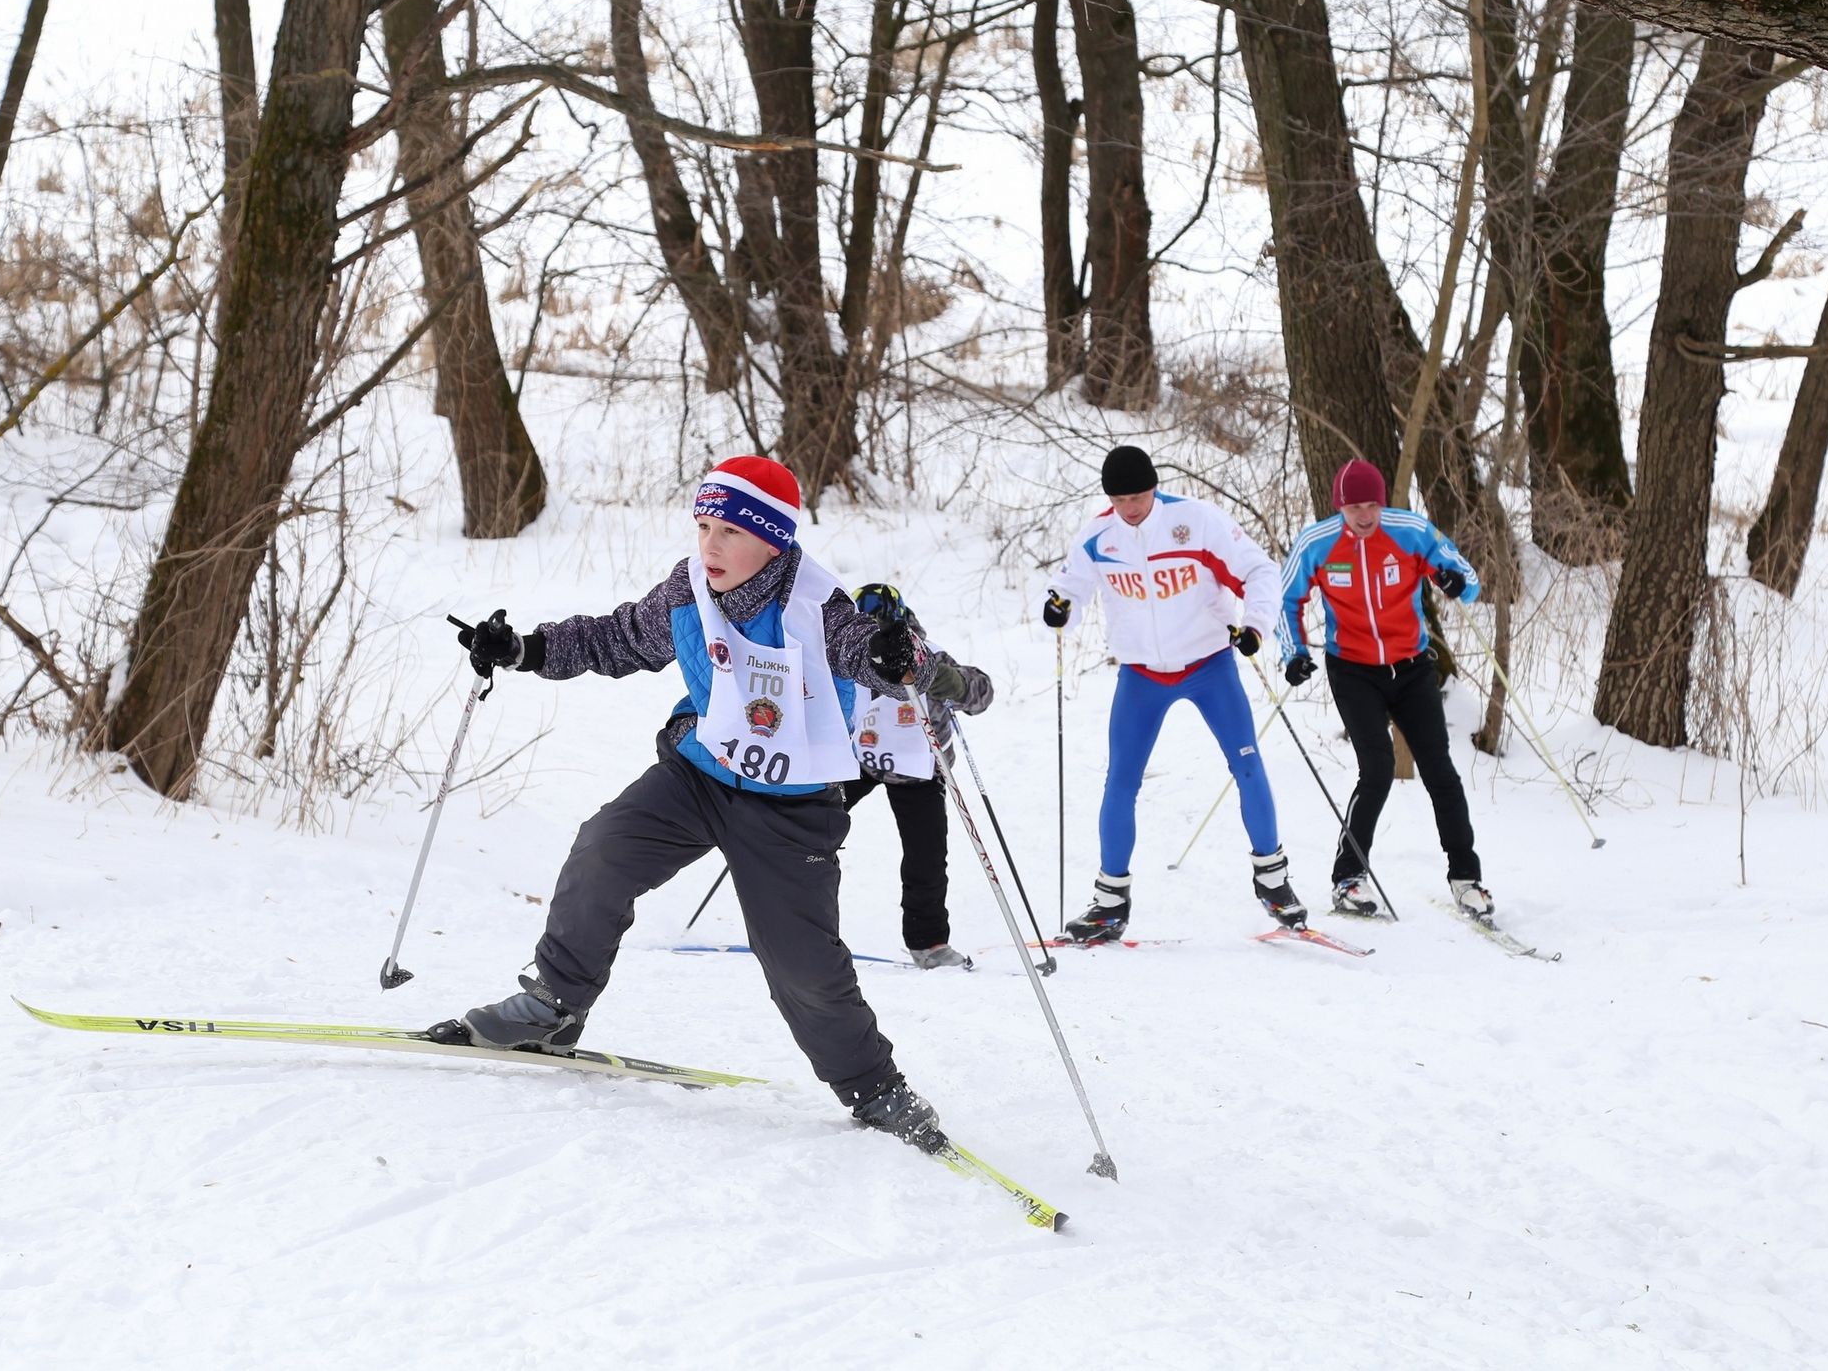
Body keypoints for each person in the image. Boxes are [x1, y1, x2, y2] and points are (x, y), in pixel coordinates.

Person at [431, 456, 974, 1151]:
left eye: (729, 532)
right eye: (703, 526)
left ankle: (874, 1087)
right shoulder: (688, 591)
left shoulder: (820, 607)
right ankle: (554, 1006)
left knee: (802, 964)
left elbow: (872, 654)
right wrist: (525, 648)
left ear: (773, 540)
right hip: (698, 773)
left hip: (791, 806)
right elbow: (614, 637)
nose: (710, 546)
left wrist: (908, 660)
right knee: (603, 849)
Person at [1042, 444, 1303, 941]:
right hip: (1141, 674)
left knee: (1247, 764)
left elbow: (1260, 572)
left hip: (1209, 664)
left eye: (1138, 496)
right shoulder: (1097, 536)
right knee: (1121, 779)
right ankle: (1109, 903)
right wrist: (1058, 610)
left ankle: (1274, 884)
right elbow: (1068, 592)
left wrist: (1255, 626)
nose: (1131, 507)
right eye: (1120, 499)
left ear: (1155, 488)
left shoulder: (1197, 521)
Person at [1275, 458, 1497, 924]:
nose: (1365, 515)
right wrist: (1294, 651)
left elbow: (1467, 577)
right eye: (1355, 506)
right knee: (1376, 770)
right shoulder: (1317, 543)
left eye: (1372, 504)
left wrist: (1458, 583)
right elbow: (1288, 598)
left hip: (1412, 668)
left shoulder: (1409, 529)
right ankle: (1348, 878)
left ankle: (1466, 879)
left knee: (1439, 769)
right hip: (1353, 671)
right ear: (1341, 506)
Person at [841, 583, 996, 970]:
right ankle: (788, 923)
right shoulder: (845, 654)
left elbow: (982, 693)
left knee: (926, 857)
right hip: (858, 760)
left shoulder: (927, 656)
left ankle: (928, 943)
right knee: (807, 824)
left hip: (920, 770)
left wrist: (954, 683)